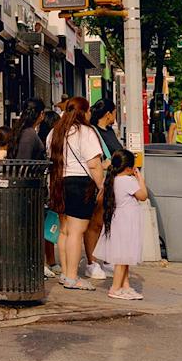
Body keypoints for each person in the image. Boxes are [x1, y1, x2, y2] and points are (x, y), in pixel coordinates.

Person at [45, 96, 106, 290]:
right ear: (83, 112)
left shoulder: (55, 132)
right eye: (88, 111)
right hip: (80, 185)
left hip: (58, 184)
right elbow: (94, 164)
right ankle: (72, 277)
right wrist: (101, 186)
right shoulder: (86, 132)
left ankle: (65, 273)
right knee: (76, 232)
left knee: (64, 231)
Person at [7, 98, 56, 278]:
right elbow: (24, 165)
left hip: (26, 190)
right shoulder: (29, 135)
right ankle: (31, 265)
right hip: (28, 191)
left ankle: (32, 264)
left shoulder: (22, 132)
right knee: (31, 229)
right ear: (40, 114)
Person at [94, 149, 149, 300]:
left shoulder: (112, 179)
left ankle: (125, 285)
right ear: (129, 168)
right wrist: (141, 180)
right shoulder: (128, 181)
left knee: (124, 256)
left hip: (118, 220)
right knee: (122, 258)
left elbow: (100, 199)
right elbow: (143, 196)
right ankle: (115, 288)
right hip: (127, 222)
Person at [82, 98, 124, 280]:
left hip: (113, 183)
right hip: (100, 183)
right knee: (95, 223)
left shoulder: (109, 132)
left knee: (107, 222)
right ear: (108, 114)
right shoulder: (93, 133)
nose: (115, 116)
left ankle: (104, 259)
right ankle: (91, 262)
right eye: (114, 112)